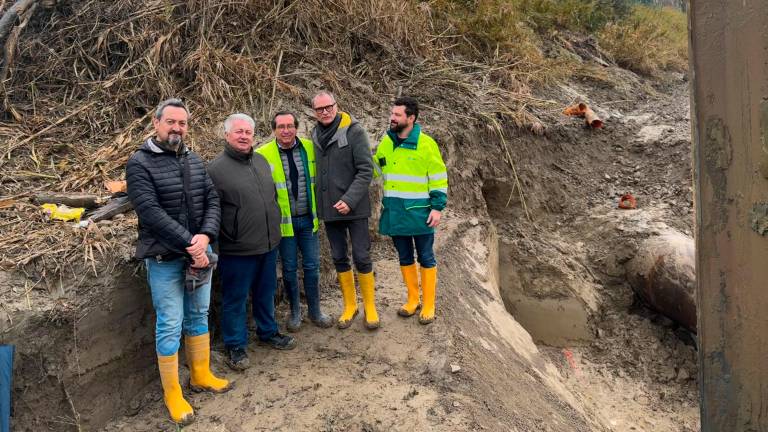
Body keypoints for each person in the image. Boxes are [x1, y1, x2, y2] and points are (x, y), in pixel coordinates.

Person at [126, 98, 230, 426]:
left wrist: (206, 237)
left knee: (198, 314)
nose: (177, 128)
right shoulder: (139, 163)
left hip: (198, 254)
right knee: (170, 324)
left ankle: (200, 374)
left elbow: (212, 199)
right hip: (165, 259)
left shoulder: (194, 160)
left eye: (182, 123)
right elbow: (150, 212)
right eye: (170, 122)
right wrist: (190, 244)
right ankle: (172, 392)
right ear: (156, 124)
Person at [207, 113, 296, 371]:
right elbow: (210, 211)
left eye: (248, 132)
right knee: (235, 298)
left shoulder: (261, 161)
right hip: (237, 250)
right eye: (239, 132)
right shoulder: (215, 170)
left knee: (265, 292)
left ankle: (268, 332)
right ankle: (236, 345)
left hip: (268, 245)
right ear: (227, 135)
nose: (244, 136)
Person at [255, 111, 333, 332]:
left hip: (309, 220)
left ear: (297, 127)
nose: (286, 130)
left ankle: (315, 310)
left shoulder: (310, 147)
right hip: (285, 224)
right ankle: (295, 311)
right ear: (273, 130)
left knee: (312, 266)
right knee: (289, 268)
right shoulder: (263, 154)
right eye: (281, 127)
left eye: (290, 126)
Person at [374, 97, 448, 325]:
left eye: (397, 115)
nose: (392, 118)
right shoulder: (387, 142)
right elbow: (377, 169)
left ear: (411, 118)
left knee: (425, 256)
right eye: (392, 113)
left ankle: (429, 304)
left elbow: (438, 176)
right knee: (405, 256)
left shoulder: (426, 144)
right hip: (395, 212)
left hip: (421, 213)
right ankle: (413, 299)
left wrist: (437, 208)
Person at [310, 91, 379, 330]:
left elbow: (365, 170)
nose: (325, 111)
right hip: (330, 210)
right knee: (339, 257)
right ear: (314, 112)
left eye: (329, 107)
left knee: (362, 256)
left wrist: (349, 199)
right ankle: (350, 306)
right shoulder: (315, 133)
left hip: (355, 208)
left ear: (337, 106)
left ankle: (370, 306)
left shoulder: (354, 131)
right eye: (320, 109)